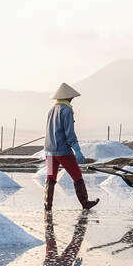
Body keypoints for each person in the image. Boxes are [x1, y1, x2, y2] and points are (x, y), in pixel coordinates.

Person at [44, 82, 98, 211]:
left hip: (49, 152)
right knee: (77, 176)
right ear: (67, 97)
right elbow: (69, 132)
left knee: (50, 178)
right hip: (63, 152)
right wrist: (77, 149)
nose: (72, 99)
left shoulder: (51, 110)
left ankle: (47, 205)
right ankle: (85, 203)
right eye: (71, 97)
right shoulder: (66, 110)